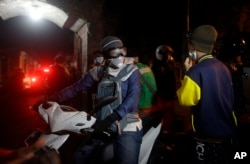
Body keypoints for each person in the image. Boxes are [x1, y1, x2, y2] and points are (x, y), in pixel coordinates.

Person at [43, 36, 143, 164]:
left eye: (121, 51)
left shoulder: (132, 70)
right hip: (102, 125)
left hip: (127, 127)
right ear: (105, 53)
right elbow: (76, 88)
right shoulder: (99, 71)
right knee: (78, 157)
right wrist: (55, 97)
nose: (119, 56)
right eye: (114, 52)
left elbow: (132, 100)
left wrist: (112, 118)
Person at [176, 25, 238, 163]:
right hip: (227, 135)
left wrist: (187, 73)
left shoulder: (195, 72)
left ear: (193, 47)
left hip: (206, 137)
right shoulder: (224, 68)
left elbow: (185, 100)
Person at [151, 45, 176, 134]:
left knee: (168, 119)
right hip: (161, 96)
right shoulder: (157, 67)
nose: (168, 56)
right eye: (166, 54)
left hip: (167, 96)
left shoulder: (169, 65)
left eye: (168, 54)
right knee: (161, 118)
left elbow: (172, 82)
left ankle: (167, 136)